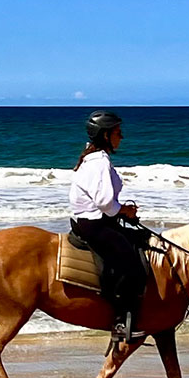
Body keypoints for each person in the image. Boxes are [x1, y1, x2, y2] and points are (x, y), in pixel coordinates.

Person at [68, 109, 144, 342]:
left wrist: (121, 212)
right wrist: (124, 210)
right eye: (118, 133)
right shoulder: (99, 162)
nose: (121, 137)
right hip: (95, 224)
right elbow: (104, 204)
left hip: (89, 221)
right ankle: (121, 323)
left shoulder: (91, 158)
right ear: (105, 136)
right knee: (133, 266)